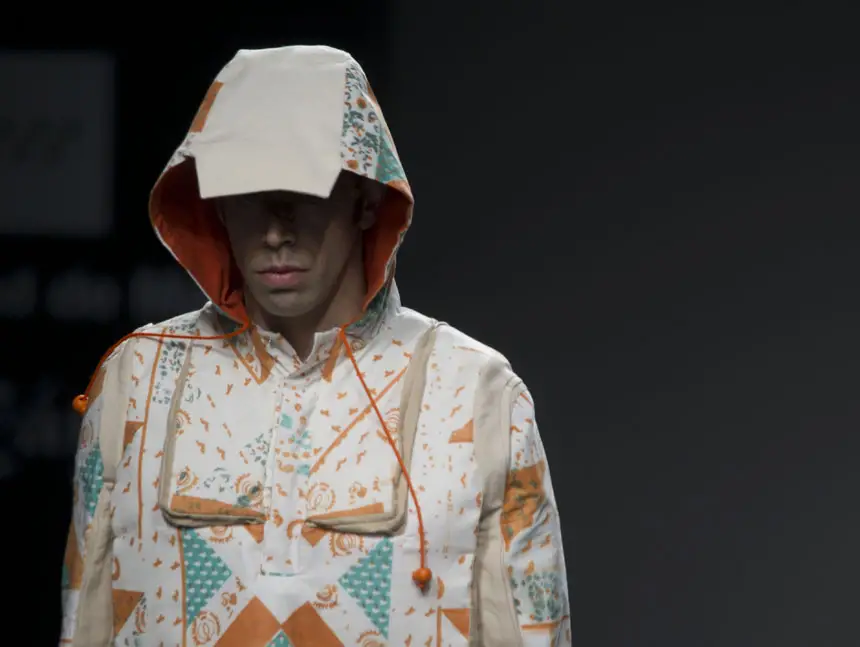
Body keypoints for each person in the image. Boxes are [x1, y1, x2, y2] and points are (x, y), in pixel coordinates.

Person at [59, 45, 571, 647]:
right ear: (215, 205)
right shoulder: (136, 381)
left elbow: (530, 630)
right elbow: (86, 621)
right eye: (247, 194)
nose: (275, 230)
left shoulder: (476, 393)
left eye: (302, 192)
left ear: (367, 198)